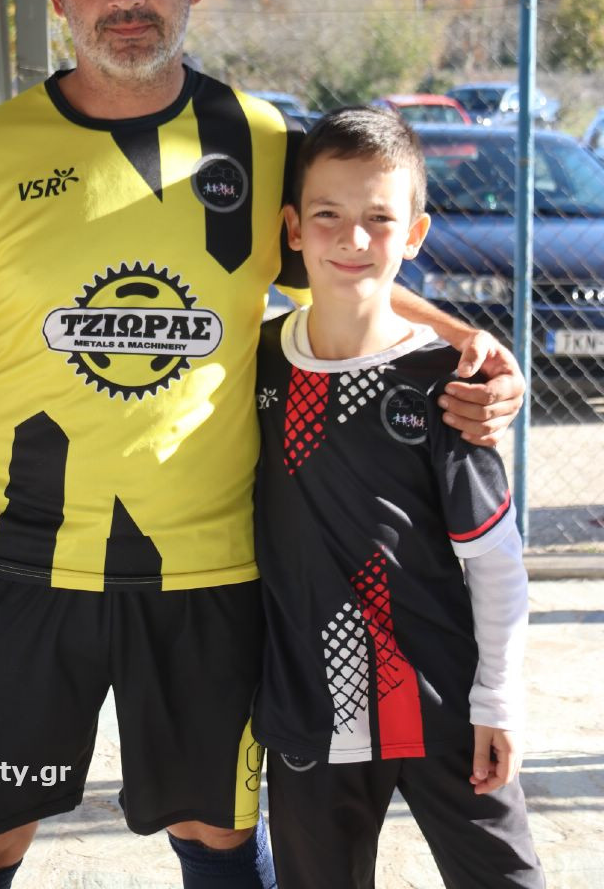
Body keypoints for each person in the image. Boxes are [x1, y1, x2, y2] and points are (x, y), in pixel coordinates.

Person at [0, 0, 525, 889]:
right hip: (12, 571)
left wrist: (468, 345)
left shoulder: (260, 142)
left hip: (211, 578)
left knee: (217, 835)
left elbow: (348, 267)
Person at [252, 107, 544, 888]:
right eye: (328, 215)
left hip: (444, 709)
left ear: (414, 235)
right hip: (311, 714)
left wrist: (498, 702)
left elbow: (496, 562)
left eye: (379, 220)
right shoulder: (258, 362)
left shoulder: (450, 384)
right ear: (292, 228)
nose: (353, 239)